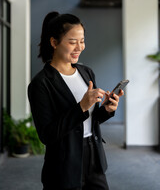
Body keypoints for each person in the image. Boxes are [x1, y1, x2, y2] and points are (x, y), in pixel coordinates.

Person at [28, 11, 124, 190]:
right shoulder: (41, 84)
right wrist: (81, 107)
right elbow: (47, 135)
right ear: (54, 42)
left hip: (94, 157)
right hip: (63, 165)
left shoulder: (86, 72)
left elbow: (89, 120)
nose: (79, 47)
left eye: (82, 41)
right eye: (72, 42)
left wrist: (106, 110)